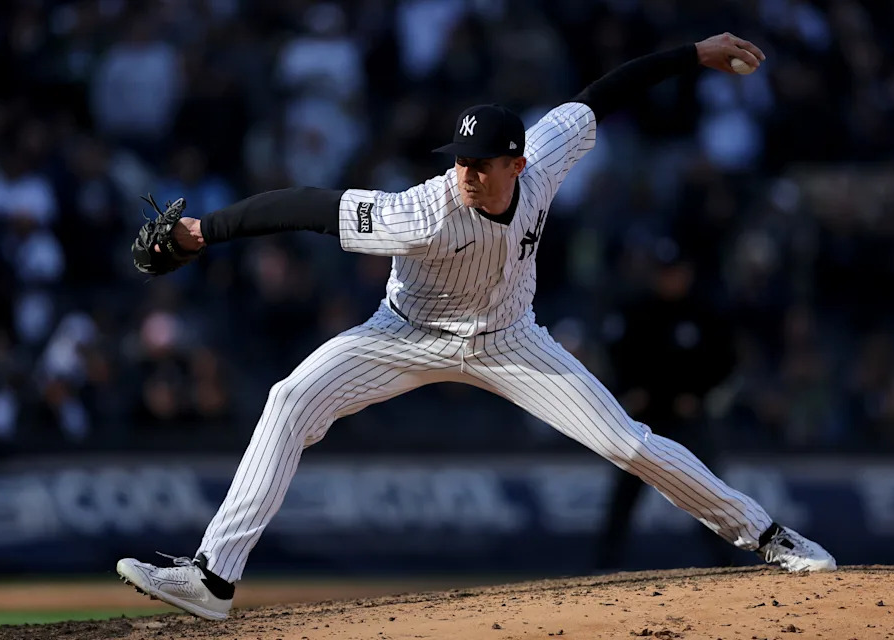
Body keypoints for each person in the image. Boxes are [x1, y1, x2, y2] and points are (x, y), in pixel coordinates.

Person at [117, 33, 836, 622]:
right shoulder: (424, 209)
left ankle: (768, 535)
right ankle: (214, 577)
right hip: (403, 334)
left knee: (627, 441)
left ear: (517, 164)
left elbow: (601, 97)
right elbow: (305, 205)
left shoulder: (546, 159)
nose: (464, 172)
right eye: (458, 160)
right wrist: (201, 231)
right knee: (289, 399)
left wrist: (693, 55)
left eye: (479, 163)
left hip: (509, 340)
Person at [595, 241, 737, 570]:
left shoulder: (705, 312)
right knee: (625, 493)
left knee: (706, 488)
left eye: (675, 272)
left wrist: (699, 396)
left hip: (689, 418)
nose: (670, 279)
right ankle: (605, 564)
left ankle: (728, 564)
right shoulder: (637, 311)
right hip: (644, 418)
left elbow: (726, 362)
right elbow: (615, 355)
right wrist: (628, 390)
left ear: (687, 273)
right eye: (664, 273)